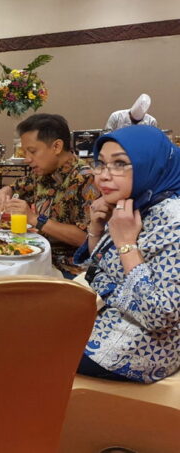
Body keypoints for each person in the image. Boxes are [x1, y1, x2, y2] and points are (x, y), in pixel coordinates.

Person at [74, 125, 180, 383]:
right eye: (101, 164)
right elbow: (98, 268)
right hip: (106, 320)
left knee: (20, 342)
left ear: (151, 164)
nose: (103, 176)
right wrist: (96, 228)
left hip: (137, 350)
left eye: (120, 164)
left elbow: (159, 315)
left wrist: (126, 244)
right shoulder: (137, 203)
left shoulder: (173, 221)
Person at [0, 113, 100, 277]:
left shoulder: (85, 179)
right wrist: (4, 191)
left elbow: (86, 239)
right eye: (24, 152)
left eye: (32, 151)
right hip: (39, 257)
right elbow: (17, 187)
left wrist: (35, 219)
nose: (27, 159)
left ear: (56, 146)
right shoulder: (42, 173)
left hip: (71, 268)